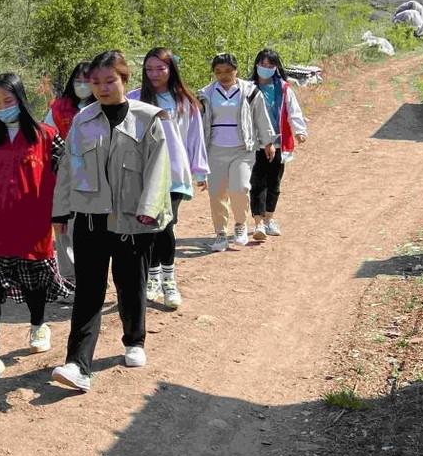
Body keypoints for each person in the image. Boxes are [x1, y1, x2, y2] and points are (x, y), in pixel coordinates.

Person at [50, 50, 171, 393]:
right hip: (90, 217)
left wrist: (150, 208)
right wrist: (60, 211)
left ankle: (134, 339)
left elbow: (159, 168)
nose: (102, 88)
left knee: (130, 282)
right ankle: (77, 364)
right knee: (89, 291)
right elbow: (69, 169)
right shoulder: (83, 121)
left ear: (124, 80)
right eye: (96, 82)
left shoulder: (149, 119)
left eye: (109, 81)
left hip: (133, 218)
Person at [0, 73, 73, 384]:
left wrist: (64, 213)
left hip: (33, 225)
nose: (2, 107)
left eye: (8, 101)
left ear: (21, 101)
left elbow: (64, 179)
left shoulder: (48, 137)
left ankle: (39, 324)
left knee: (33, 284)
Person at [128, 48, 209, 309]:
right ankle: (152, 278)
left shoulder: (185, 102)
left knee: (166, 225)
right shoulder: (134, 99)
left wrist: (199, 170)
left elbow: (195, 138)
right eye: (149, 69)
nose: (154, 74)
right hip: (143, 173)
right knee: (150, 225)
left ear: (171, 69)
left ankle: (169, 280)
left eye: (160, 68)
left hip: (174, 173)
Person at [198, 53, 277, 252]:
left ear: (236, 70)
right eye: (218, 72)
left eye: (227, 71)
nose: (223, 76)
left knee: (240, 187)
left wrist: (268, 142)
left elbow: (261, 116)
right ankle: (220, 234)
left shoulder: (250, 92)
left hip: (242, 149)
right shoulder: (205, 94)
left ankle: (240, 224)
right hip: (215, 150)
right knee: (217, 193)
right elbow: (197, 124)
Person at [247, 48, 308, 241]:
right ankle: (258, 223)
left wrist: (299, 130)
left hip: (279, 142)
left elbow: (293, 111)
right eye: (262, 65)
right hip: (255, 144)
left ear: (276, 67)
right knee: (257, 183)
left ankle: (269, 219)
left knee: (274, 183)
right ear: (256, 65)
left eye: (270, 65)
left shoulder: (283, 88)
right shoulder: (247, 88)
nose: (265, 68)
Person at [42, 61, 92, 283]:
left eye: (87, 81)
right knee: (63, 227)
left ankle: (91, 274)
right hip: (65, 175)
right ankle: (68, 277)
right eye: (78, 80)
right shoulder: (59, 108)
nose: (82, 85)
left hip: (96, 177)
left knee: (91, 229)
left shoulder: (102, 105)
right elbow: (46, 137)